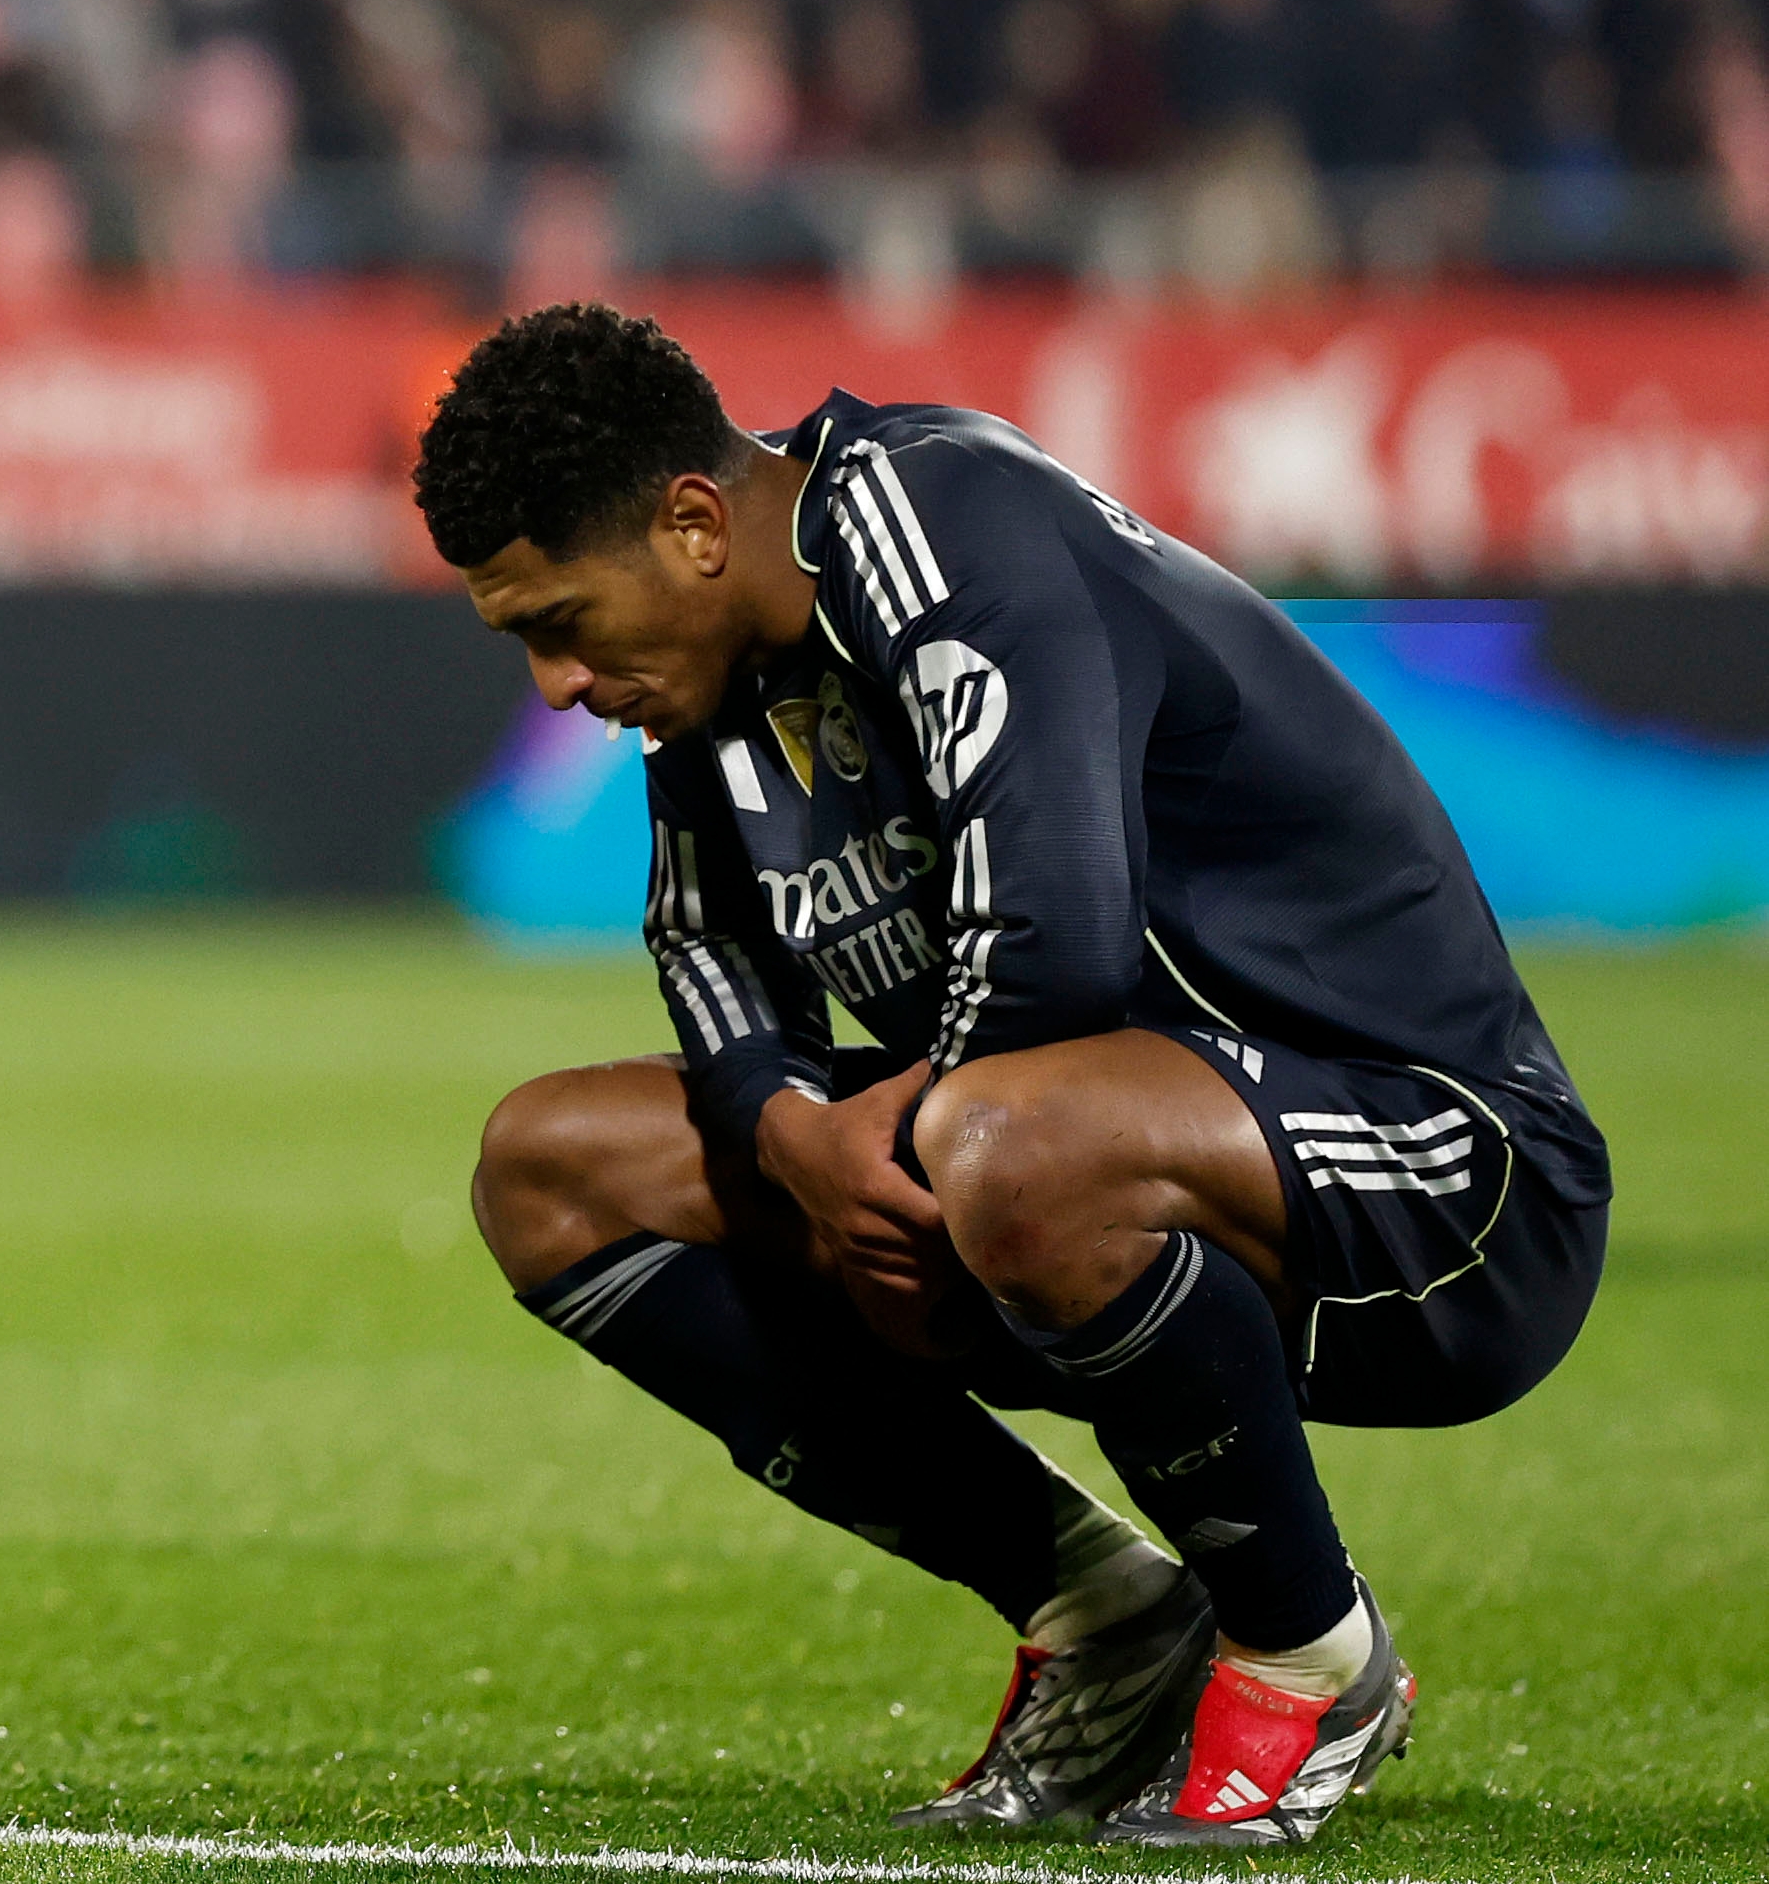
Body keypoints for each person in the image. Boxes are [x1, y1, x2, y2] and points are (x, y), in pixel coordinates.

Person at [423, 303, 1609, 1851]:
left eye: (561, 620)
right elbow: (708, 953)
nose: (555, 681)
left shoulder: (936, 525)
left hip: (1449, 1180)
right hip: (1054, 1160)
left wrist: (893, 1144)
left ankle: (1307, 1651)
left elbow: (1056, 940)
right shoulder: (708, 672)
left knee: (1004, 1138)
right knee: (552, 1165)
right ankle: (1104, 1611)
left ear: (693, 524)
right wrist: (790, 1137)